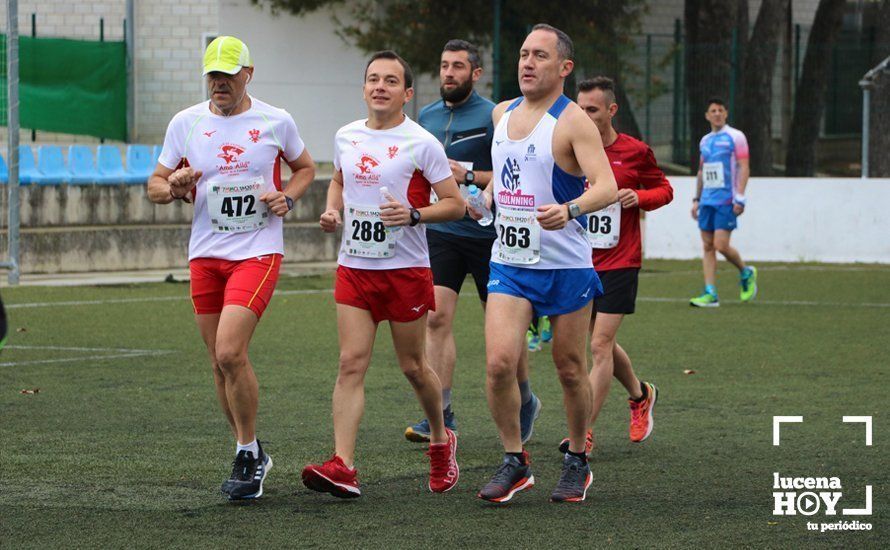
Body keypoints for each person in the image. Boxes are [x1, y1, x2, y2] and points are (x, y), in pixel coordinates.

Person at [147, 36, 316, 500]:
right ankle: (251, 450)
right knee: (219, 365)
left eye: (228, 74)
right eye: (213, 75)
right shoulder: (186, 122)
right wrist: (175, 185)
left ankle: (245, 454)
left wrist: (290, 197)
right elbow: (155, 186)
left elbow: (305, 168)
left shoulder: (275, 120)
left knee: (229, 352)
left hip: (257, 251)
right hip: (205, 253)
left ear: (249, 74)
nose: (220, 83)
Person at [302, 50, 464, 498]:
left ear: (407, 93)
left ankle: (439, 438)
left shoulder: (422, 143)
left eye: (391, 81)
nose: (380, 87)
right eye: (373, 79)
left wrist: (413, 215)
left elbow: (455, 204)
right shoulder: (346, 136)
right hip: (354, 267)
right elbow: (338, 179)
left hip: (405, 270)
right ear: (363, 87)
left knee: (413, 366)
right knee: (350, 363)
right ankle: (343, 465)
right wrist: (332, 209)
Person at [469, 24, 618, 504]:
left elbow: (606, 186)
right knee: (498, 365)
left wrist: (570, 210)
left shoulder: (573, 121)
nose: (527, 63)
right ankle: (515, 460)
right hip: (510, 262)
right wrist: (485, 198)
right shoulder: (501, 113)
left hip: (565, 266)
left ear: (564, 67)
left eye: (539, 55)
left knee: (571, 368)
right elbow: (509, 175)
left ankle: (577, 458)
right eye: (523, 53)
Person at [406, 39, 541, 445]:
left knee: (505, 329)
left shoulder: (495, 116)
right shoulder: (426, 117)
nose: (449, 73)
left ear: (475, 74)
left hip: (490, 235)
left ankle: (525, 398)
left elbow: (510, 169)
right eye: (445, 66)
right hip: (442, 232)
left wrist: (468, 178)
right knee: (436, 318)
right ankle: (442, 413)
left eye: (458, 67)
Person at [555, 76, 673, 456]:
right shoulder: (568, 147)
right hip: (578, 259)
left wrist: (638, 196)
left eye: (592, 109)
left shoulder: (635, 151)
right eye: (580, 108)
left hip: (620, 259)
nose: (585, 116)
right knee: (601, 341)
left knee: (600, 344)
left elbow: (665, 190)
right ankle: (641, 395)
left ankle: (584, 431)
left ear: (611, 110)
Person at [690, 98, 757, 307]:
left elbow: (743, 167)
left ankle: (746, 272)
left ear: (726, 114)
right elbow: (702, 170)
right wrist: (696, 199)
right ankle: (710, 293)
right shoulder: (705, 140)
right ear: (707, 116)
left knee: (721, 245)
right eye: (713, 111)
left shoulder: (736, 137)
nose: (717, 114)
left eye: (720, 110)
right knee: (708, 246)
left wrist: (740, 196)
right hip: (707, 200)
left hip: (726, 200)